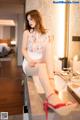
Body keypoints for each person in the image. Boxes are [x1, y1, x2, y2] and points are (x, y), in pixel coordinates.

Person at [22, 9, 77, 119]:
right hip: (28, 64)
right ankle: (53, 100)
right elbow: (23, 50)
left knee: (44, 64)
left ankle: (53, 97)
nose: (29, 22)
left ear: (37, 18)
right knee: (41, 66)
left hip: (40, 64)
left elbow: (48, 58)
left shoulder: (46, 34)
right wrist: (30, 60)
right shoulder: (27, 33)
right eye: (28, 20)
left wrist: (52, 80)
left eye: (31, 19)